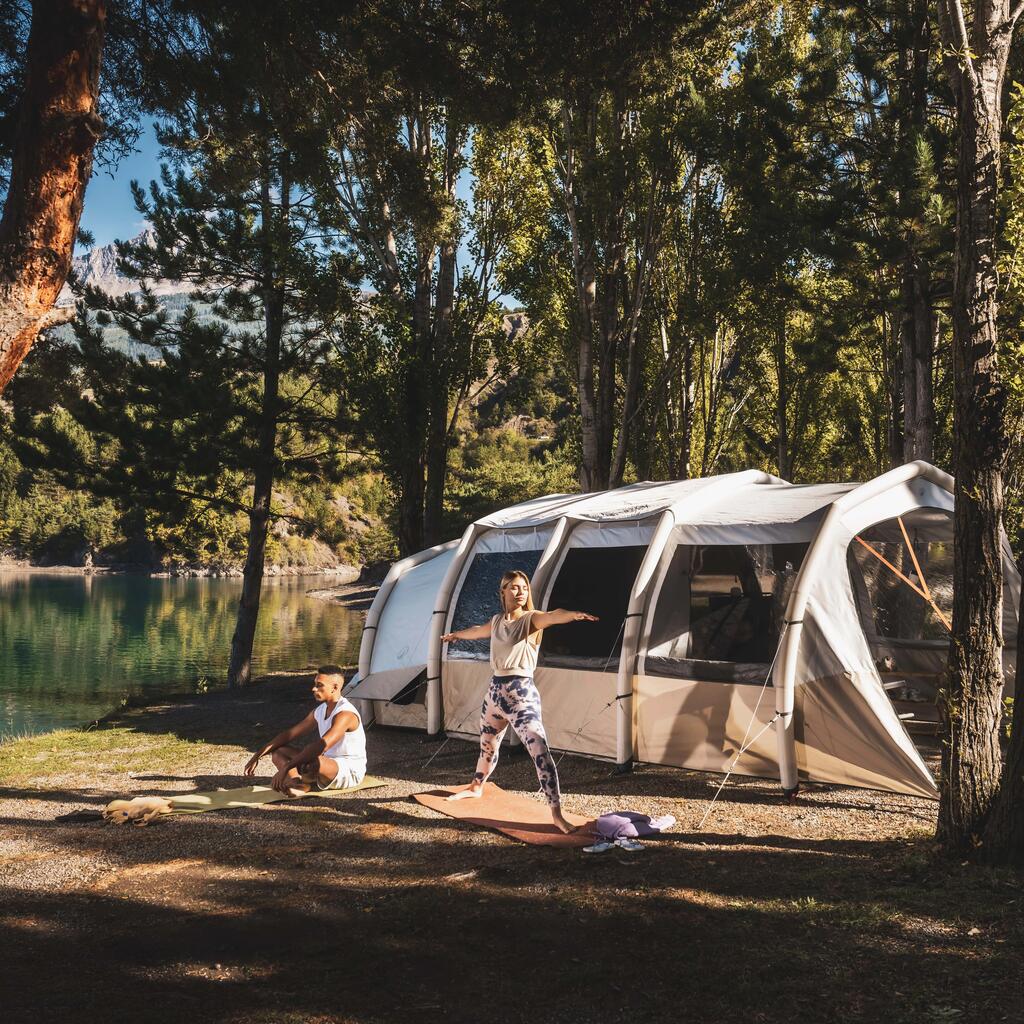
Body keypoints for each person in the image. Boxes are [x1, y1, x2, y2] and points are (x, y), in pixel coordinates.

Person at [440, 570, 598, 834]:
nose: (520, 592)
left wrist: (572, 615)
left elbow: (552, 615)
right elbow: (478, 631)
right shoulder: (497, 620)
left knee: (539, 749)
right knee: (487, 745)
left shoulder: (530, 620)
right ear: (502, 592)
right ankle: (476, 786)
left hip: (521, 694)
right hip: (495, 692)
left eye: (524, 587)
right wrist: (456, 635)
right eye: (514, 587)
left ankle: (557, 813)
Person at [244, 665, 367, 796]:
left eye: (319, 685)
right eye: (315, 684)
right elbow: (289, 734)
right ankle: (297, 784)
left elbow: (322, 745)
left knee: (313, 760)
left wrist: (286, 767)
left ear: (335, 688)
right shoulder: (320, 711)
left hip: (349, 771)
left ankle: (303, 779)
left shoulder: (345, 714)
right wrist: (257, 756)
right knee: (278, 751)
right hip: (325, 763)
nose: (313, 688)